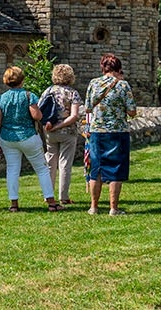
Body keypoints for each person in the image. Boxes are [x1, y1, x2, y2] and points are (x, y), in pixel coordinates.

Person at [0, 66, 61, 211]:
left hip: (7, 137)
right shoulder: (29, 96)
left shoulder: (1, 99)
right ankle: (51, 202)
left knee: (12, 170)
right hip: (28, 136)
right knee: (42, 169)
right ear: (22, 80)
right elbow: (37, 116)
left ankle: (13, 204)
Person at [84, 53, 137, 215]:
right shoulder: (123, 85)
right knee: (116, 169)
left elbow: (87, 108)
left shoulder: (93, 83)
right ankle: (113, 208)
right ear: (118, 68)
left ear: (103, 68)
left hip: (97, 131)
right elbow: (132, 111)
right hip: (118, 131)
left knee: (96, 169)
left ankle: (94, 207)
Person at [40, 63, 83, 207]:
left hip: (50, 131)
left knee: (50, 164)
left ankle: (48, 195)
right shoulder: (73, 93)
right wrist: (61, 125)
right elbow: (74, 116)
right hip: (67, 132)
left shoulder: (48, 91)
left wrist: (49, 125)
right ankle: (63, 196)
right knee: (65, 164)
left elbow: (39, 111)